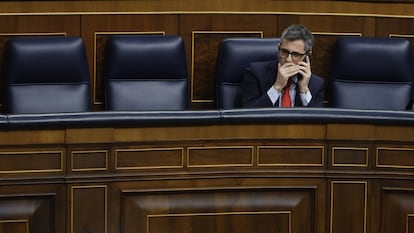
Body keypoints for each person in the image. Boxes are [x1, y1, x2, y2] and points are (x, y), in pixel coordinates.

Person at [241, 24, 325, 108]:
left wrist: (304, 90)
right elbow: (249, 116)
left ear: (307, 56)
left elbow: (318, 119)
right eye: (284, 52)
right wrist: (277, 86)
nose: (288, 59)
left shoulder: (316, 84)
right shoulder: (256, 73)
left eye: (295, 54)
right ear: (278, 47)